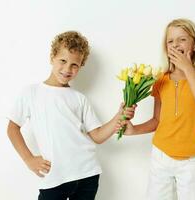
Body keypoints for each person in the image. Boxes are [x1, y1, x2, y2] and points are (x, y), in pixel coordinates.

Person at [7, 31, 135, 200]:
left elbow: (97, 136)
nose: (68, 69)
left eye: (75, 65)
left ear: (81, 66)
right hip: (55, 177)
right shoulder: (31, 93)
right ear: (52, 57)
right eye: (63, 61)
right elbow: (12, 128)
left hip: (87, 174)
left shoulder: (79, 99)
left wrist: (119, 116)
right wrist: (29, 159)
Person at [120, 19, 195, 200]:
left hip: (191, 160)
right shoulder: (161, 79)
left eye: (182, 39)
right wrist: (133, 130)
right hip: (161, 156)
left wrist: (188, 68)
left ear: (194, 44)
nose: (175, 45)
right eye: (170, 41)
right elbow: (157, 121)